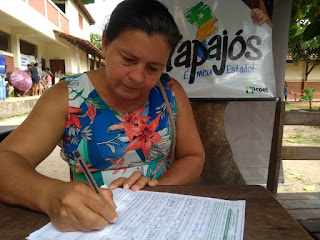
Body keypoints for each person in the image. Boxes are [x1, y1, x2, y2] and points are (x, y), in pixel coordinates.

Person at [0, 0, 205, 233]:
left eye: (153, 68)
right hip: (93, 226)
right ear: (106, 44)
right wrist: (50, 194)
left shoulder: (170, 92)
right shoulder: (68, 97)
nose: (137, 77)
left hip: (161, 220)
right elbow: (5, 160)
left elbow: (193, 156)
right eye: (128, 60)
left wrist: (158, 187)